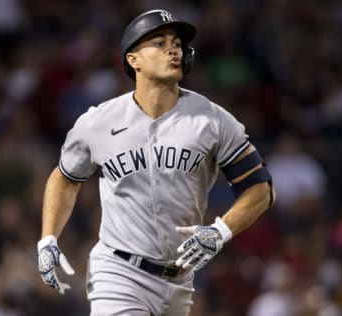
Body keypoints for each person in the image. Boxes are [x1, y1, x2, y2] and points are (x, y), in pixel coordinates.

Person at [37, 9, 275, 316]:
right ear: (133, 59)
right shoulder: (97, 122)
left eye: (176, 43)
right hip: (118, 270)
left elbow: (260, 189)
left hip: (181, 280)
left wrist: (221, 231)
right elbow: (65, 177)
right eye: (159, 43)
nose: (172, 49)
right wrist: (48, 238)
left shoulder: (212, 120)